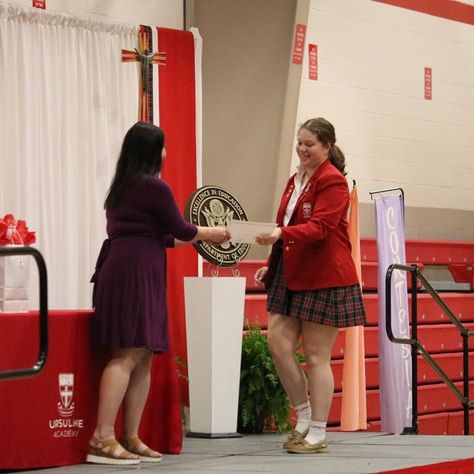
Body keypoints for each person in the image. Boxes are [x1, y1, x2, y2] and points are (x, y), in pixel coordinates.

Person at [87, 122, 229, 466]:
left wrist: (202, 236)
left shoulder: (122, 188)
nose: (166, 153)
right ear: (152, 151)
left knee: (143, 355)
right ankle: (102, 437)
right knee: (127, 354)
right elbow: (182, 229)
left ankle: (130, 435)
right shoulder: (154, 187)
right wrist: (216, 232)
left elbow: (166, 238)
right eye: (163, 147)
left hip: (129, 268)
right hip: (135, 273)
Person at [254, 117, 366, 454]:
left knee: (317, 357)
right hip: (292, 274)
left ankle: (318, 431)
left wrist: (279, 234)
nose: (302, 149)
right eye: (299, 143)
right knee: (278, 344)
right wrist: (270, 265)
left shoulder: (332, 181)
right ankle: (302, 417)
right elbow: (286, 225)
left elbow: (319, 228)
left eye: (309, 144)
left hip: (325, 277)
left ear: (327, 147)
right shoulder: (295, 179)